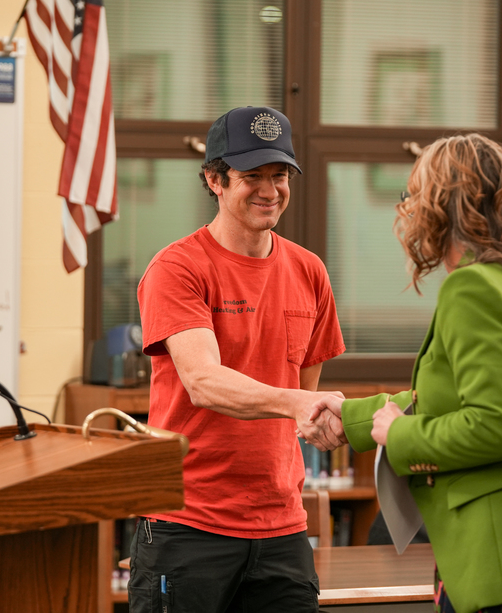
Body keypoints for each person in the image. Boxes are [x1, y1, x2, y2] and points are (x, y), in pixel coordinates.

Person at [310, 134, 502, 613]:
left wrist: (399, 437)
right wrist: (355, 416)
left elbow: (495, 426)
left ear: (439, 206)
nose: (407, 210)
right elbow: (452, 398)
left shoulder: (471, 289)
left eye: (413, 196)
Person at [129, 106, 347, 613]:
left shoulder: (310, 271)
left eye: (279, 175)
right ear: (215, 180)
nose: (269, 190)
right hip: (187, 526)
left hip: (282, 527)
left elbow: (304, 404)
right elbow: (203, 382)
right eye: (252, 176)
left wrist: (326, 418)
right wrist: (299, 404)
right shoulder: (178, 267)